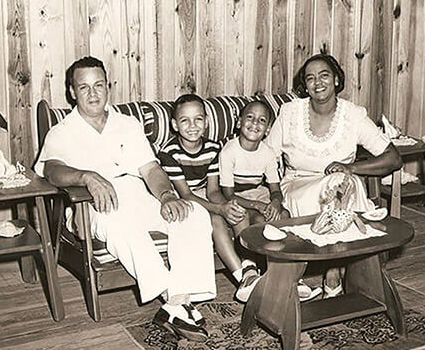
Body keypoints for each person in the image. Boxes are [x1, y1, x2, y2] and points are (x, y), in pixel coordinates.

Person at [35, 57, 214, 341]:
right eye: (84, 88)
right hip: (91, 202)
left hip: (136, 193)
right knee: (121, 222)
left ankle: (176, 303)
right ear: (72, 92)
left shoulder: (127, 124)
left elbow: (151, 168)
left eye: (99, 86)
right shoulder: (63, 131)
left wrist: (167, 195)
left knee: (193, 213)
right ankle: (176, 299)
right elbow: (52, 170)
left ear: (108, 87)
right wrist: (87, 177)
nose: (93, 94)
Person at [265, 53, 402, 297]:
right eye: (310, 78)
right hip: (298, 185)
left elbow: (393, 158)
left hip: (342, 186)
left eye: (324, 75)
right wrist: (269, 193)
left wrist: (353, 168)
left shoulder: (354, 115)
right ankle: (336, 270)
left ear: (337, 79)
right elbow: (266, 156)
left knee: (342, 182)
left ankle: (337, 271)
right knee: (345, 188)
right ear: (304, 86)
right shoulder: (289, 113)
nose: (317, 82)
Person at [157, 95, 256, 303]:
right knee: (217, 220)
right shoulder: (169, 152)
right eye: (185, 120)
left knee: (238, 210)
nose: (192, 126)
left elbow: (212, 190)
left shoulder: (212, 148)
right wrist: (219, 211)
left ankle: (250, 268)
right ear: (175, 125)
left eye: (198, 119)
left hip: (203, 195)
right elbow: (186, 195)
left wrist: (228, 206)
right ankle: (241, 277)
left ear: (207, 121)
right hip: (180, 200)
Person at [218, 100, 302, 301]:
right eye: (249, 117)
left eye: (261, 120)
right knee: (246, 217)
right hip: (237, 196)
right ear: (239, 122)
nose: (255, 123)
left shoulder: (267, 153)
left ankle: (288, 272)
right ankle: (249, 267)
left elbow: (275, 188)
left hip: (259, 193)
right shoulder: (229, 151)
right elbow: (228, 193)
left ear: (267, 129)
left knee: (284, 215)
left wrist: (275, 202)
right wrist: (257, 205)